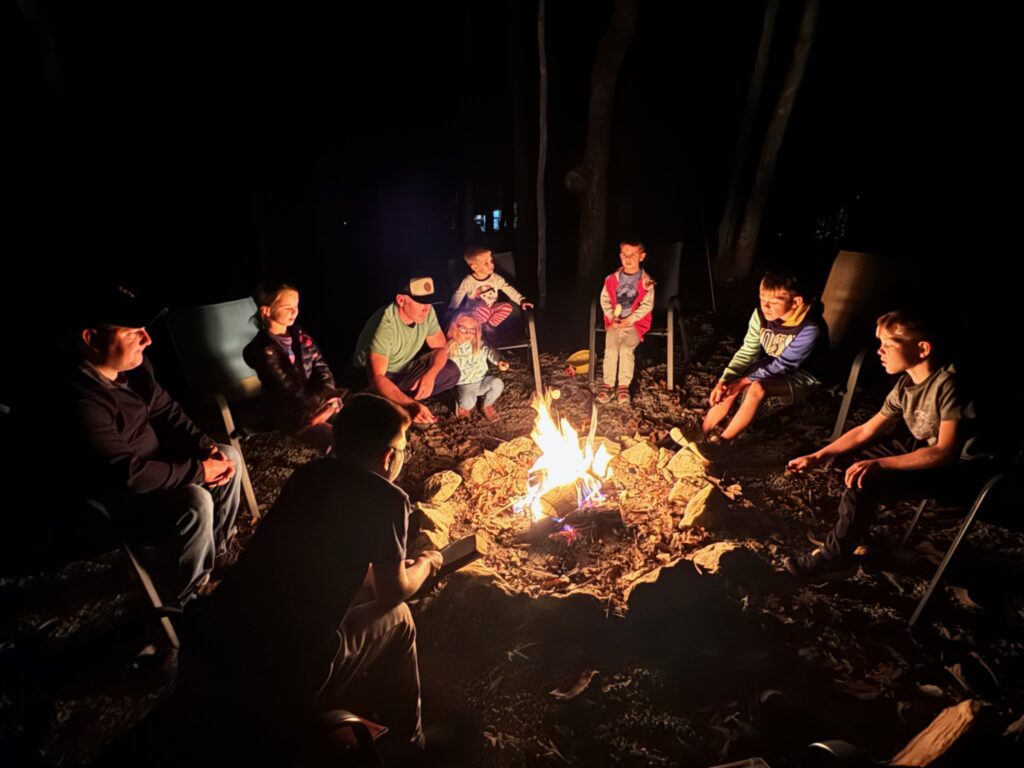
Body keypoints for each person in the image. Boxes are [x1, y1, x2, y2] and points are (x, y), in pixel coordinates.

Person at [182, 394, 442, 762]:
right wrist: (429, 563)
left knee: (355, 601)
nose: (401, 455)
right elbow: (393, 592)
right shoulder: (387, 498)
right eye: (402, 448)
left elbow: (321, 559)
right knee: (399, 619)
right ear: (388, 456)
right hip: (284, 676)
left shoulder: (307, 476)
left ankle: (366, 698)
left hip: (219, 646)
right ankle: (411, 745)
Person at [68, 285, 241, 606]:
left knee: (228, 454)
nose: (147, 340)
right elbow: (127, 474)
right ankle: (188, 594)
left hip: (157, 468)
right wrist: (198, 471)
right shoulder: (82, 400)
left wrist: (206, 449)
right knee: (196, 500)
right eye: (133, 333)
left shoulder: (135, 371)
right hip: (119, 498)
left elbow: (168, 412)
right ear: (91, 339)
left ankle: (216, 550)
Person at [784, 309, 988, 578]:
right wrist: (818, 456)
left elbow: (945, 452)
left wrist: (878, 463)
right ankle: (853, 534)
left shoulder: (948, 384)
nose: (880, 351)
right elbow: (866, 430)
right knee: (844, 461)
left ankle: (836, 559)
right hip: (929, 452)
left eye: (888, 345)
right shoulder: (905, 385)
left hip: (964, 470)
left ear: (922, 348)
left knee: (864, 478)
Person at [701, 273, 828, 457]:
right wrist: (725, 380)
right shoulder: (760, 315)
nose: (766, 306)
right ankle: (701, 432)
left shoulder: (810, 327)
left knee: (757, 388)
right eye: (762, 299)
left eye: (774, 302)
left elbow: (785, 364)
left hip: (806, 373)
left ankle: (722, 443)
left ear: (796, 302)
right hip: (771, 364)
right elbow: (747, 351)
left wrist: (745, 381)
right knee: (732, 384)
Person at [243, 280, 342, 452]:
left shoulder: (299, 334)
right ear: (266, 311)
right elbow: (288, 387)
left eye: (296, 305)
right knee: (336, 439)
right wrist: (320, 407)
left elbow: (320, 366)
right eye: (287, 307)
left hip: (318, 402)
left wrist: (329, 395)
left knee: (355, 419)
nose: (295, 311)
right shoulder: (261, 349)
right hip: (289, 411)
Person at [352, 276, 461, 424]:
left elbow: (442, 347)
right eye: (421, 303)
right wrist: (411, 405)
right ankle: (400, 406)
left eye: (429, 302)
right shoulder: (385, 326)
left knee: (451, 372)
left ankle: (400, 405)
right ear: (401, 300)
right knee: (374, 414)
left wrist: (430, 375)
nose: (426, 308)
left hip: (404, 369)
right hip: (374, 377)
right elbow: (376, 378)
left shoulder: (427, 312)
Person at [597, 239, 656, 406]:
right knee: (611, 349)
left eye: (633, 255)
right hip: (614, 323)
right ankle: (608, 384)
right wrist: (611, 316)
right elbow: (605, 299)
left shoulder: (646, 282)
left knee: (625, 349)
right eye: (624, 255)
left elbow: (647, 305)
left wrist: (630, 319)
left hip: (634, 324)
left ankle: (623, 385)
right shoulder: (611, 279)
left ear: (642, 257)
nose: (628, 259)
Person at [449, 246, 533, 331]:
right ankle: (478, 330)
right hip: (475, 312)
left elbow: (508, 289)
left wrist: (521, 300)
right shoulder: (469, 281)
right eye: (486, 263)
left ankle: (489, 327)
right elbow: (458, 294)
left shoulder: (495, 278)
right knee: (482, 309)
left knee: (507, 307)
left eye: (491, 261)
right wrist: (452, 309)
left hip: (491, 309)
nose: (491, 264)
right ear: (475, 267)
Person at [446, 313, 509, 421]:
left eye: (472, 330)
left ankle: (486, 405)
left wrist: (499, 360)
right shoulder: (450, 347)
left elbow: (490, 351)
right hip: (465, 384)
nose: (468, 333)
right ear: (454, 328)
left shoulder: (479, 344)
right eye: (463, 329)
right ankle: (462, 405)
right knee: (468, 402)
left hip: (482, 380)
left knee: (497, 384)